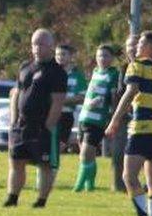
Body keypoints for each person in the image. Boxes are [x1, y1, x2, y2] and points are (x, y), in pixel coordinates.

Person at [106, 31, 152, 216]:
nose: (136, 47)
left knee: (128, 176)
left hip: (142, 128)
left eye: (140, 43)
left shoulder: (137, 65)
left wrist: (115, 120)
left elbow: (130, 91)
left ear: (151, 47)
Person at [3, 28, 67, 209]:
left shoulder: (57, 72)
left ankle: (41, 200)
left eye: (41, 44)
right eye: (34, 44)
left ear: (51, 46)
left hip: (42, 126)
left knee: (45, 165)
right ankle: (12, 197)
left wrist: (49, 125)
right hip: (21, 125)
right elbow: (16, 92)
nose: (37, 48)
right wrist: (13, 120)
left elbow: (58, 100)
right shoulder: (25, 67)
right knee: (16, 161)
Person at [73, 44, 120, 191]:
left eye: (106, 56)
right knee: (86, 155)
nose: (102, 59)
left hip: (97, 120)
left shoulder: (113, 75)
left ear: (112, 58)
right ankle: (90, 186)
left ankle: (78, 186)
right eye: (100, 55)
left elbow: (114, 97)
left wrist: (108, 110)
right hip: (84, 117)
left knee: (85, 153)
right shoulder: (95, 72)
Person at [111, 34, 139, 192]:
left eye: (135, 45)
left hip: (143, 116)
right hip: (123, 116)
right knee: (118, 151)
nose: (132, 49)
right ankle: (118, 185)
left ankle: (141, 183)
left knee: (142, 154)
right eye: (129, 46)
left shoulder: (150, 68)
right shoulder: (122, 69)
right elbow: (120, 92)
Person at [55, 44, 86, 152]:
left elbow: (81, 97)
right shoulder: (51, 73)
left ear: (70, 57)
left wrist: (61, 102)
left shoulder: (77, 75)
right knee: (47, 146)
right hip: (49, 113)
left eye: (63, 54)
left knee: (58, 147)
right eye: (57, 54)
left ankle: (52, 168)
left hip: (65, 115)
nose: (60, 57)